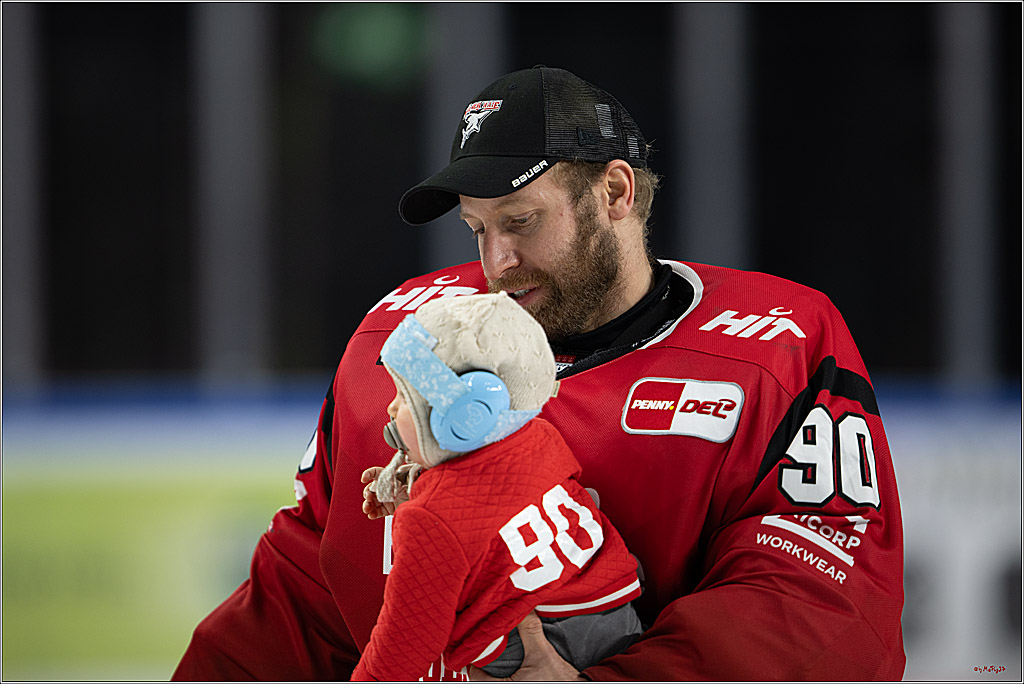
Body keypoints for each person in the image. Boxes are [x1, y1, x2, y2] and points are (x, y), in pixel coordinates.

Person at [174, 65, 906, 681]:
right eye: (476, 230)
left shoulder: (780, 342)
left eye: (521, 221)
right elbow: (307, 586)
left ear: (616, 194)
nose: (496, 264)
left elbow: (817, 606)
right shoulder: (401, 337)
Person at [351, 292, 643, 681]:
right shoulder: (542, 437)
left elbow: (404, 643)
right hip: (618, 612)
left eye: (404, 397)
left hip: (535, 651)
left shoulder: (430, 518)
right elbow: (496, 504)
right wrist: (423, 484)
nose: (390, 409)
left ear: (467, 415)